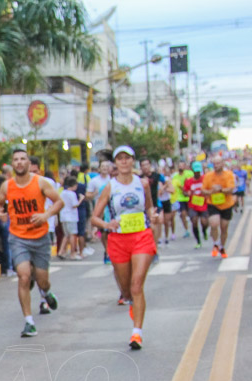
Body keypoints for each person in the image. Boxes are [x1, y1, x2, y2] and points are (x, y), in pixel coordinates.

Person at [91, 146, 156, 350]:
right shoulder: (110, 187)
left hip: (141, 237)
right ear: (115, 163)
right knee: (127, 289)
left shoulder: (142, 183)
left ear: (133, 161)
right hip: (118, 240)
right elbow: (94, 217)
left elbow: (149, 207)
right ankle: (131, 302)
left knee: (137, 285)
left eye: (127, 158)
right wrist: (107, 225)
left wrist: (153, 215)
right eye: (120, 159)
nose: (124, 162)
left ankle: (136, 333)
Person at [0, 148, 63, 337]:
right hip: (18, 238)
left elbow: (59, 202)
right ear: (12, 164)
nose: (19, 162)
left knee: (42, 281)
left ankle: (46, 293)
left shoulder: (40, 182)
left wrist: (46, 214)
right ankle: (29, 321)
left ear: (28, 163)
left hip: (40, 237)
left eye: (23, 159)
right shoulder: (7, 186)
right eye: (16, 159)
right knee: (24, 277)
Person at [202, 160, 236, 258]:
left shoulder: (229, 175)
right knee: (214, 223)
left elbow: (231, 189)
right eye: (215, 163)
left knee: (224, 227)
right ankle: (215, 243)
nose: (216, 165)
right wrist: (211, 191)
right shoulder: (208, 176)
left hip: (226, 204)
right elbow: (203, 190)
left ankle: (222, 246)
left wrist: (221, 190)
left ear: (222, 164)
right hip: (213, 204)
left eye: (218, 163)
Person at [184, 162, 210, 250]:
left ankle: (204, 231)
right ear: (193, 171)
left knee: (204, 222)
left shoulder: (205, 179)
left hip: (204, 204)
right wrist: (187, 193)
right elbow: (185, 192)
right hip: (193, 205)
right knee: (194, 221)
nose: (197, 173)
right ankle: (198, 241)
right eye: (196, 172)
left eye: (198, 171)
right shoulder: (189, 181)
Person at [58, 177, 81, 260]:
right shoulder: (72, 194)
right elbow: (75, 205)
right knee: (72, 235)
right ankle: (72, 253)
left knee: (66, 235)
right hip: (71, 217)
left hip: (63, 216)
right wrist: (81, 199)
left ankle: (61, 251)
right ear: (74, 185)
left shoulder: (62, 193)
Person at [171, 161, 193, 239]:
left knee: (191, 215)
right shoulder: (175, 176)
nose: (181, 167)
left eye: (182, 165)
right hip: (180, 197)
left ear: (185, 166)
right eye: (179, 165)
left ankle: (194, 226)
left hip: (189, 196)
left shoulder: (189, 173)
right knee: (183, 214)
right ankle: (186, 230)